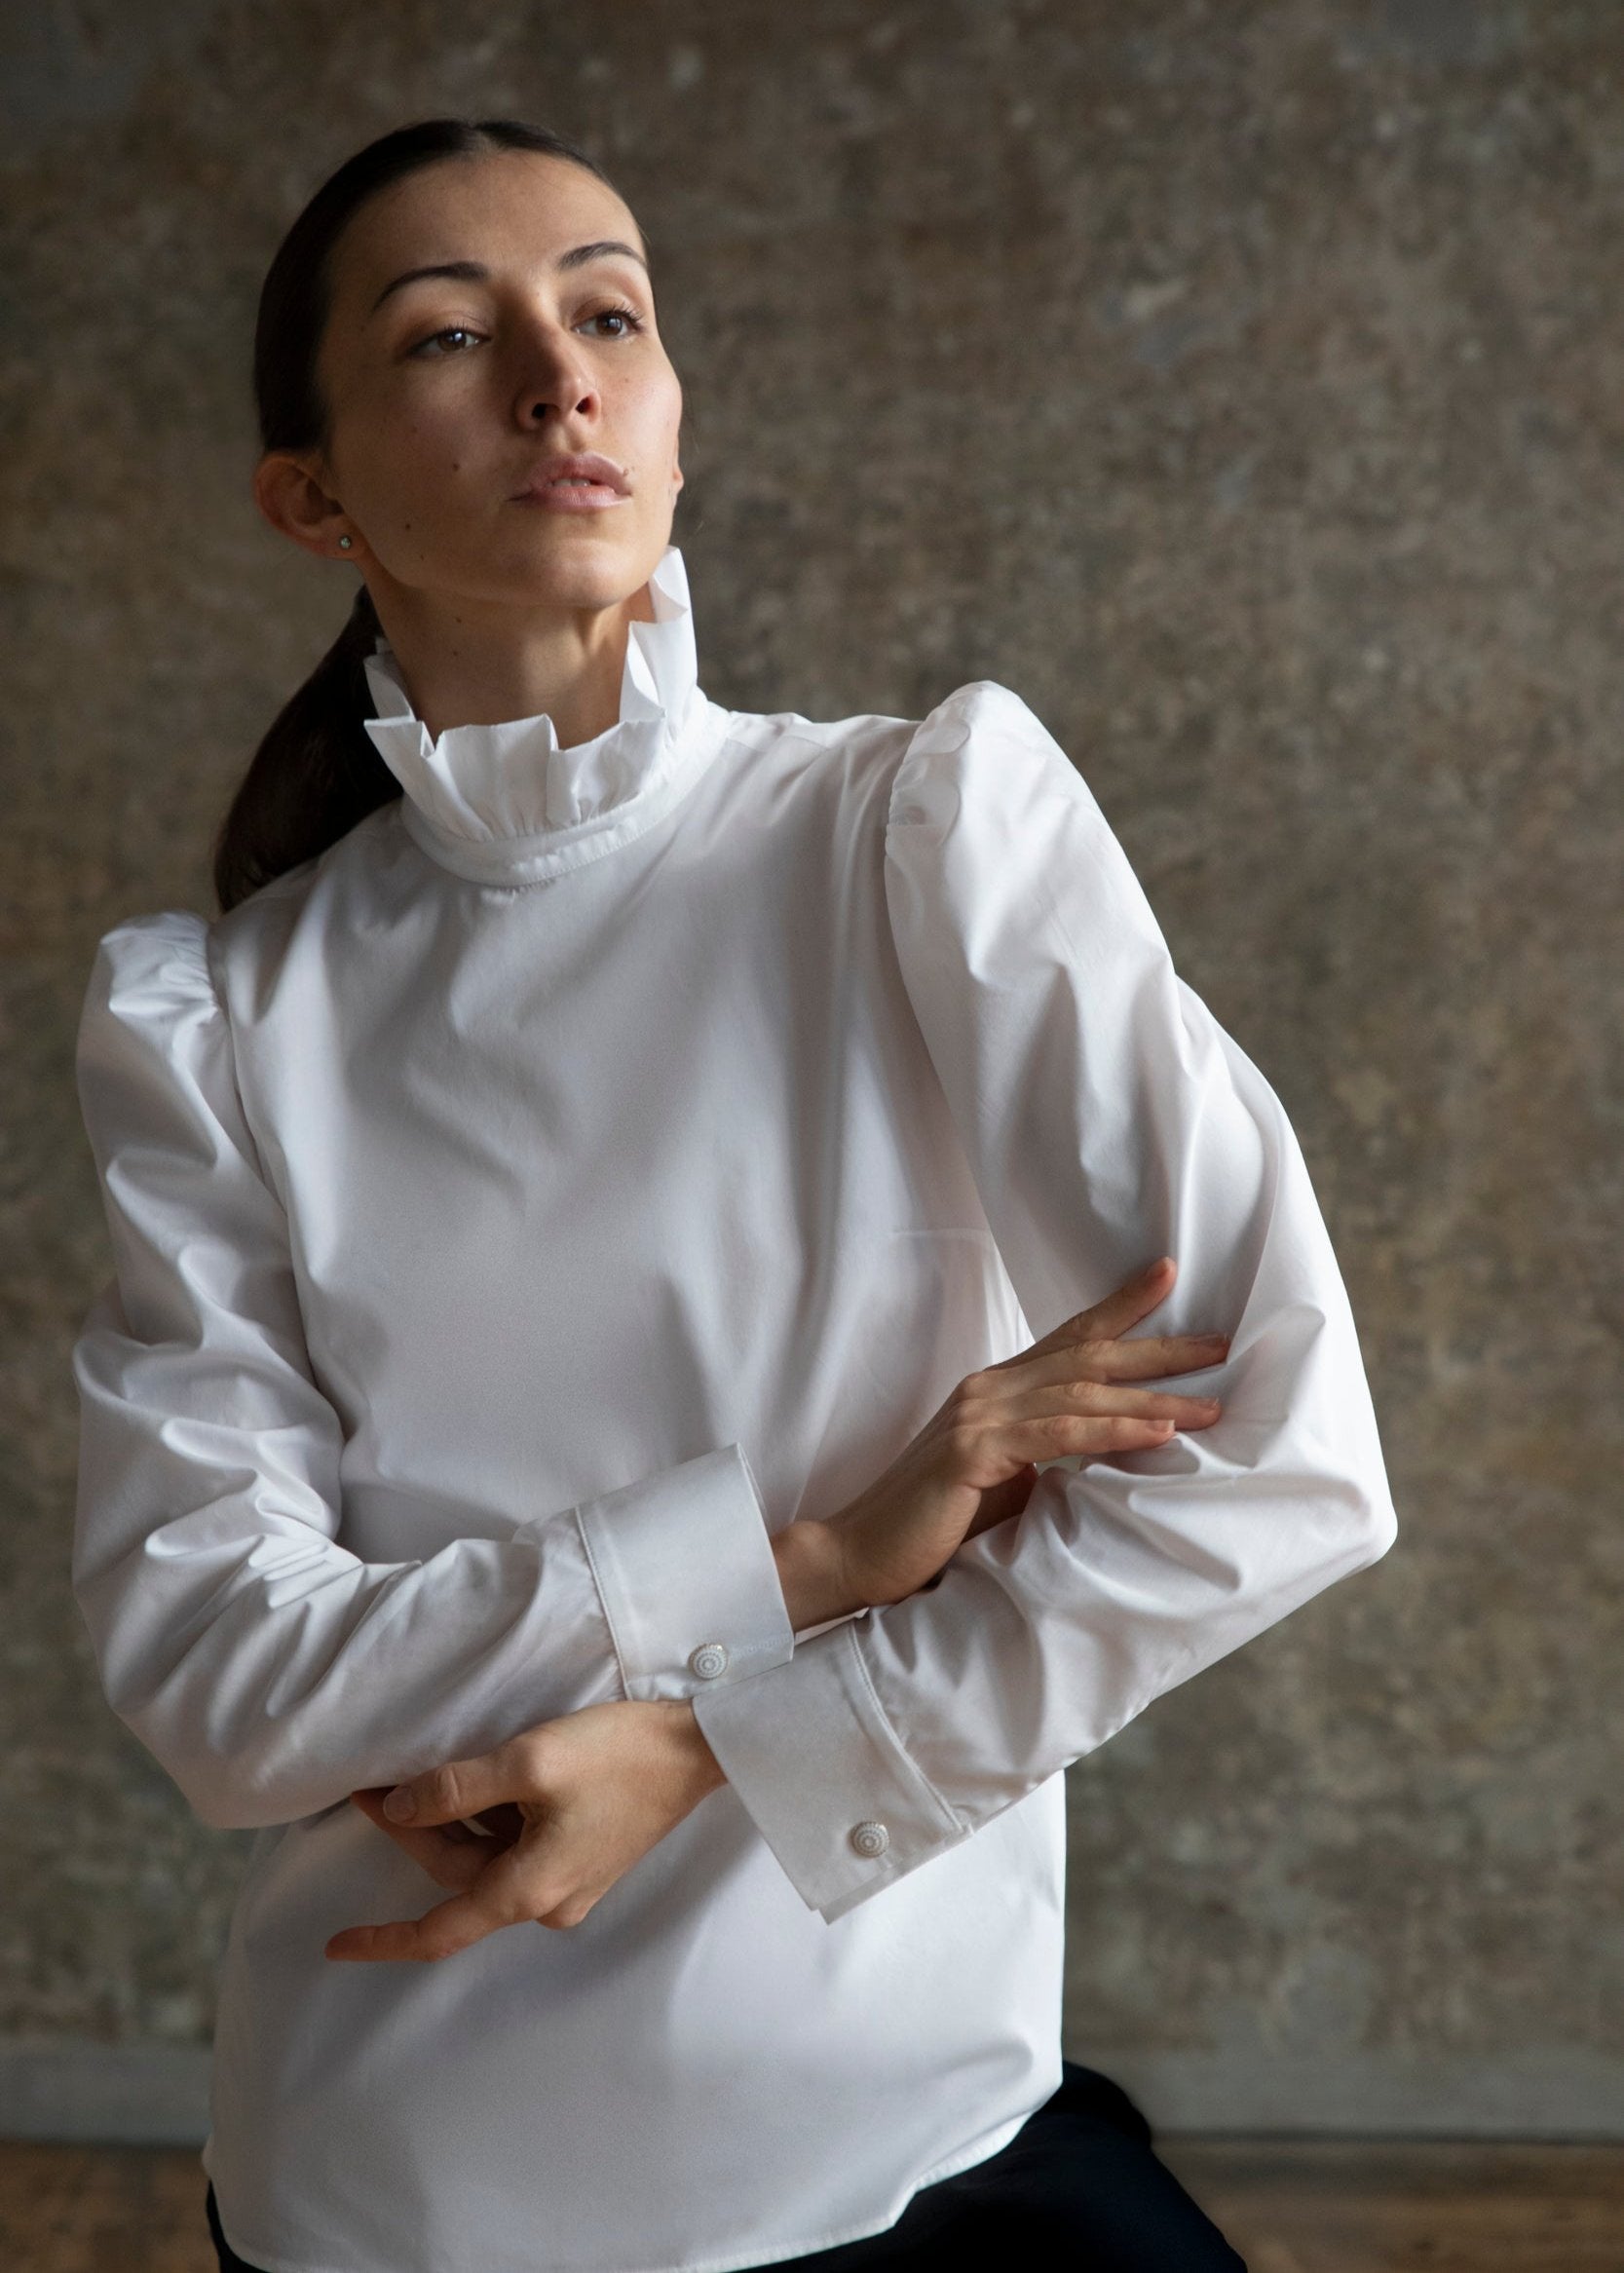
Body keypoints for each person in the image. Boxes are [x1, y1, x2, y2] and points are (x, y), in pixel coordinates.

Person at [69, 117, 1396, 2273]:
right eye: (445, 334)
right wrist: (789, 1554)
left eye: (609, 312)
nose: (556, 374)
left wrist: (721, 1748)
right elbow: (224, 1683)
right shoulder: (219, 1017)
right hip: (393, 2181)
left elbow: (1283, 1452)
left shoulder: (920, 835)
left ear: (676, 424)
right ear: (308, 496)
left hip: (912, 2143)